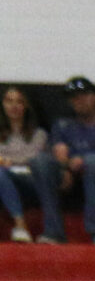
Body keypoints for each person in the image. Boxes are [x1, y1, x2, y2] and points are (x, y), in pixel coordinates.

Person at [30, 76, 95, 245]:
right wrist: (66, 168)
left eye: (83, 96)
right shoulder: (63, 125)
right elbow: (60, 154)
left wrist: (82, 162)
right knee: (40, 161)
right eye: (74, 98)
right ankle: (53, 231)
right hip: (73, 184)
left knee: (93, 161)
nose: (79, 101)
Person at [0, 85, 48, 241]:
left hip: (29, 182)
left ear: (26, 106)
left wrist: (9, 161)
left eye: (19, 101)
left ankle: (21, 225)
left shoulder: (38, 134)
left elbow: (34, 160)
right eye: (9, 101)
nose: (14, 106)